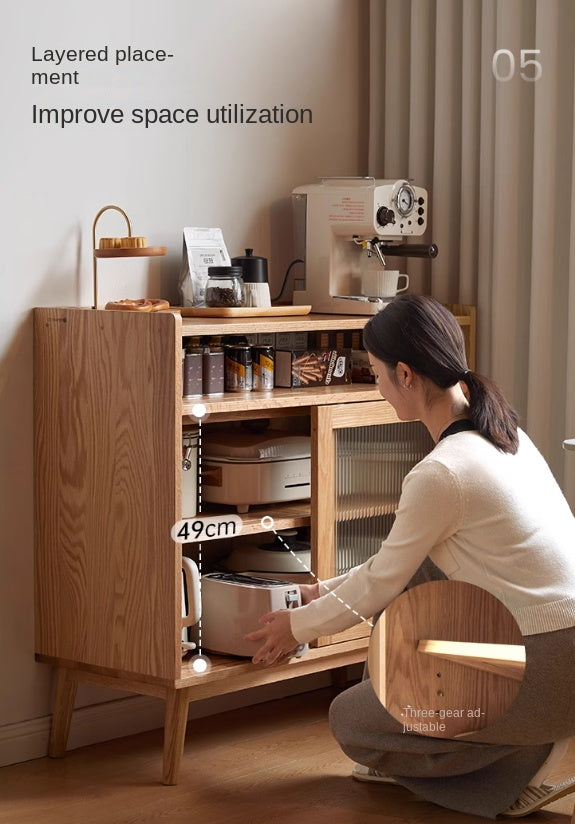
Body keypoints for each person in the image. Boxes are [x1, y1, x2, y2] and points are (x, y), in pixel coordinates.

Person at [245, 294, 575, 818]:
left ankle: (518, 763)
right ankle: (531, 735)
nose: (374, 386)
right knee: (421, 571)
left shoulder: (443, 473)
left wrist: (296, 628)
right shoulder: (506, 436)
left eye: (374, 374)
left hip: (549, 669)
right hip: (557, 654)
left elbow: (379, 582)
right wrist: (318, 592)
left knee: (352, 722)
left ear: (405, 375)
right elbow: (391, 567)